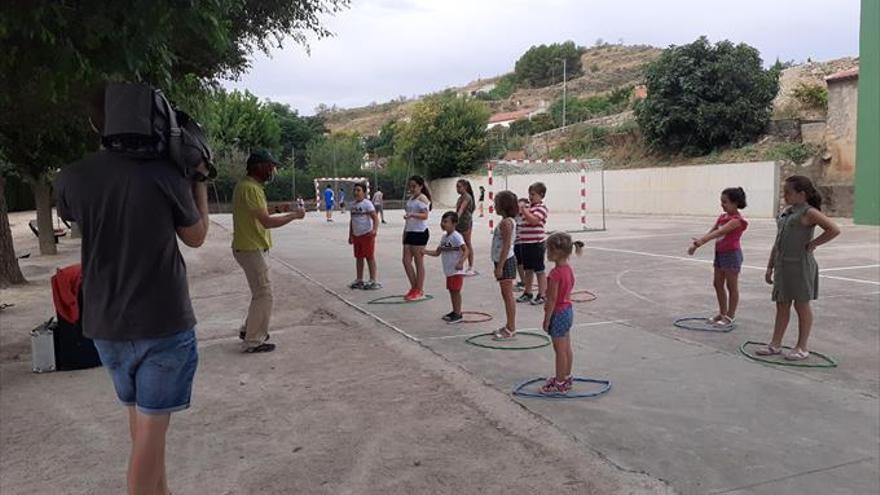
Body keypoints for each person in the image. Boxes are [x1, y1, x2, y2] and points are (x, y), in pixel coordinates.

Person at [56, 85, 211, 495]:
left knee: (143, 429)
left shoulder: (72, 177)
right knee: (149, 438)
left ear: (96, 124)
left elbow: (72, 213)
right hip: (163, 323)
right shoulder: (164, 175)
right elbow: (196, 236)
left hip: (106, 325)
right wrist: (199, 181)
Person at [758, 175, 840, 361]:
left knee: (801, 305)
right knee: (782, 304)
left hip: (800, 265)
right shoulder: (787, 212)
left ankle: (802, 347)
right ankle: (775, 344)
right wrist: (770, 266)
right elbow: (778, 242)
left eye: (788, 192)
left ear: (801, 194)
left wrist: (814, 243)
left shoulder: (808, 212)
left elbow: (833, 229)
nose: (785, 195)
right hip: (783, 265)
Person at [232, 150, 305, 353]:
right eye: (270, 166)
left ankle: (249, 330)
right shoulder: (251, 189)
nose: (273, 170)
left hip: (247, 247)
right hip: (251, 248)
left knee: (260, 293)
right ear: (259, 166)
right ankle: (254, 340)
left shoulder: (247, 186)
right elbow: (266, 222)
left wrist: (279, 209)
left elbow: (259, 213)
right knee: (264, 294)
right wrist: (294, 216)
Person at [687, 187, 749, 326]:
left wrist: (699, 243)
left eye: (725, 202)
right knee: (717, 283)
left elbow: (718, 233)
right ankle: (722, 313)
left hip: (731, 255)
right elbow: (712, 231)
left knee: (731, 286)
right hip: (720, 254)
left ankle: (730, 316)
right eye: (721, 201)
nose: (722, 204)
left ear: (735, 203)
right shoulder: (722, 217)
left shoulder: (736, 220)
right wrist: (699, 241)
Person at [541, 233, 585, 394]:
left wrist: (547, 319)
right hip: (568, 311)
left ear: (555, 252)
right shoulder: (568, 270)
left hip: (558, 313)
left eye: (547, 250)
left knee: (559, 349)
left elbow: (552, 299)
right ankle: (566, 376)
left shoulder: (555, 274)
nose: (546, 253)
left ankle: (559, 382)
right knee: (566, 347)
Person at [426, 211, 469, 323]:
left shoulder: (456, 236)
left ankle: (458, 314)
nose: (443, 224)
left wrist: (461, 262)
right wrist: (425, 252)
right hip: (448, 271)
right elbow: (437, 252)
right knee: (451, 291)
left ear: (454, 224)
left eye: (446, 222)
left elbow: (466, 250)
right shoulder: (444, 237)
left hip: (456, 271)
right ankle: (455, 311)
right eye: (442, 221)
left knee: (455, 291)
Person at [491, 191, 519, 339]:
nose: (494, 206)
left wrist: (500, 266)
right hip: (502, 260)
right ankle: (509, 325)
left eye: (496, 203)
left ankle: (511, 328)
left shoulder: (506, 223)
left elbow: (507, 245)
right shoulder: (506, 221)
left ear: (503, 205)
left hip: (506, 261)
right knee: (505, 294)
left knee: (508, 295)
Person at [517, 182, 549, 306]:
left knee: (539, 270)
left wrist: (524, 210)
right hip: (525, 243)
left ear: (541, 195)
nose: (530, 197)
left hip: (536, 243)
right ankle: (528, 292)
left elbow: (534, 220)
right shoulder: (528, 207)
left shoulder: (541, 208)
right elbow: (518, 216)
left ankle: (542, 294)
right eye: (529, 194)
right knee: (528, 269)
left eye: (533, 194)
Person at [402, 176, 432, 301]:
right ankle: (414, 287)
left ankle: (419, 289)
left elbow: (425, 215)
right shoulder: (411, 198)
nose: (412, 188)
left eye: (414, 186)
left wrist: (412, 214)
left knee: (418, 262)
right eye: (410, 186)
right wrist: (404, 234)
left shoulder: (422, 198)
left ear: (420, 186)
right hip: (409, 231)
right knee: (406, 261)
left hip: (420, 232)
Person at [348, 182, 381, 290]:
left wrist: (375, 230)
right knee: (359, 257)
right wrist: (350, 235)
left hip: (367, 234)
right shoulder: (352, 205)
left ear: (364, 192)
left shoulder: (367, 204)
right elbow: (352, 221)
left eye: (358, 190)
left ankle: (372, 280)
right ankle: (359, 279)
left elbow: (375, 218)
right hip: (357, 235)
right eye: (355, 190)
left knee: (369, 257)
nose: (356, 192)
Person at [455, 179, 477, 275]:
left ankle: (471, 266)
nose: (457, 189)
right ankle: (461, 265)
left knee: (467, 243)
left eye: (459, 187)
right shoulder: (460, 197)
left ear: (465, 187)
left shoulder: (467, 197)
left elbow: (461, 209)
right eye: (457, 187)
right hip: (459, 223)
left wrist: (454, 219)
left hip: (465, 223)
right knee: (460, 244)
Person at [513, 197, 531, 292]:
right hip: (516, 243)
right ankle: (523, 280)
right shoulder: (514, 217)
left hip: (523, 242)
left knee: (523, 263)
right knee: (518, 262)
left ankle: (525, 281)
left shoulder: (527, 217)